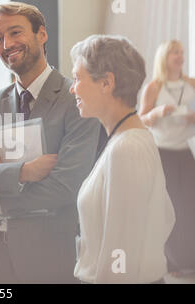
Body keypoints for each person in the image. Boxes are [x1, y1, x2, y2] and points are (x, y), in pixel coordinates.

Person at [0, 2, 100, 283]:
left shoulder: (76, 101)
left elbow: (65, 187)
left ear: (42, 35)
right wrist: (24, 172)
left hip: (49, 257)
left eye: (15, 33)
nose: (6, 44)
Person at [70, 35, 175, 283]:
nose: (72, 88)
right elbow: (167, 215)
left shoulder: (126, 148)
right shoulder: (131, 139)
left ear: (106, 83)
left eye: (77, 78)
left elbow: (120, 258)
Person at [139, 40, 195, 275]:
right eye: (175, 52)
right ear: (164, 56)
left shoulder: (191, 84)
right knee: (169, 207)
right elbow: (141, 119)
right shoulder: (154, 87)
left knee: (189, 206)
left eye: (181, 52)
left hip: (185, 151)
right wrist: (158, 112)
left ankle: (189, 261)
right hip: (162, 153)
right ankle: (171, 263)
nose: (180, 56)